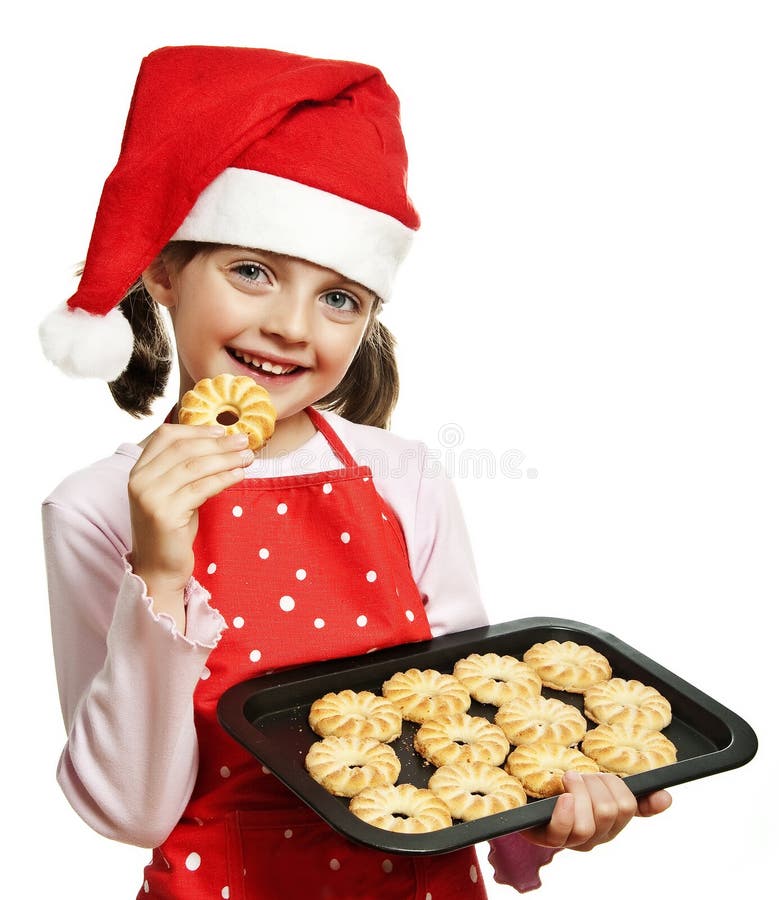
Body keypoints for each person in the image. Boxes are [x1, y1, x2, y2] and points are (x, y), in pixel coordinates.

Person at [39, 46, 671, 899]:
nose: (293, 328)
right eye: (252, 271)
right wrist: (159, 565)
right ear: (164, 270)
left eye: (339, 296)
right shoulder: (96, 508)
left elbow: (472, 721)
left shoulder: (403, 477)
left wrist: (549, 818)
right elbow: (133, 812)